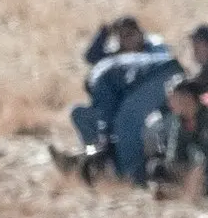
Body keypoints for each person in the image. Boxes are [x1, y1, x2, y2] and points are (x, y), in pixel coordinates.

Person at [68, 16, 180, 182]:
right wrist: (104, 33)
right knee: (80, 114)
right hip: (116, 111)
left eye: (130, 34)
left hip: (149, 113)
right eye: (121, 36)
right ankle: (94, 157)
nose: (126, 40)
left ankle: (128, 170)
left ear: (140, 34)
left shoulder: (154, 51)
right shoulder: (114, 62)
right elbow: (91, 57)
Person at [145, 79, 208, 199]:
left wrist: (197, 168)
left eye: (173, 99)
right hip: (190, 170)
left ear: (188, 98)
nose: (170, 104)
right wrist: (178, 168)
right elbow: (174, 155)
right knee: (156, 167)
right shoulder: (179, 122)